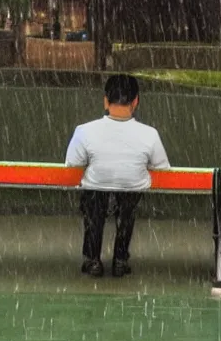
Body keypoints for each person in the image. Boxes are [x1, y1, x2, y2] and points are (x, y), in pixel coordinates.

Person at [65, 74, 170, 277]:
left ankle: (92, 258)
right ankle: (120, 259)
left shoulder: (84, 131)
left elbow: (72, 165)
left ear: (106, 100)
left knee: (93, 208)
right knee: (127, 211)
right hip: (132, 187)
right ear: (136, 101)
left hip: (96, 186)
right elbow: (162, 167)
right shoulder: (149, 134)